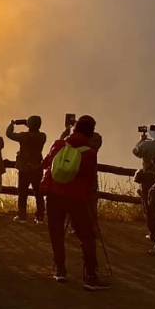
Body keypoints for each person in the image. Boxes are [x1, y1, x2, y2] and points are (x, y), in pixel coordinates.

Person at [42, 115, 109, 290]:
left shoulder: (59, 145)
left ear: (75, 128)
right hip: (77, 198)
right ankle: (90, 276)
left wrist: (64, 134)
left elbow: (46, 164)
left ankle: (60, 270)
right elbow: (89, 178)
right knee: (86, 236)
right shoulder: (89, 152)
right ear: (91, 132)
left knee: (56, 233)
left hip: (54, 195)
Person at [7, 116, 47, 223]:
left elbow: (9, 134)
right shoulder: (42, 136)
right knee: (38, 193)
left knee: (22, 192)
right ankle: (40, 217)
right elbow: (34, 132)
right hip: (37, 167)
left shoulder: (24, 136)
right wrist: (29, 124)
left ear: (29, 125)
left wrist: (12, 124)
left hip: (24, 168)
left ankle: (22, 216)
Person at [132, 128, 155, 243]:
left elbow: (135, 151)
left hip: (148, 179)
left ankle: (153, 234)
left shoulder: (146, 145)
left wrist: (141, 141)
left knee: (149, 207)